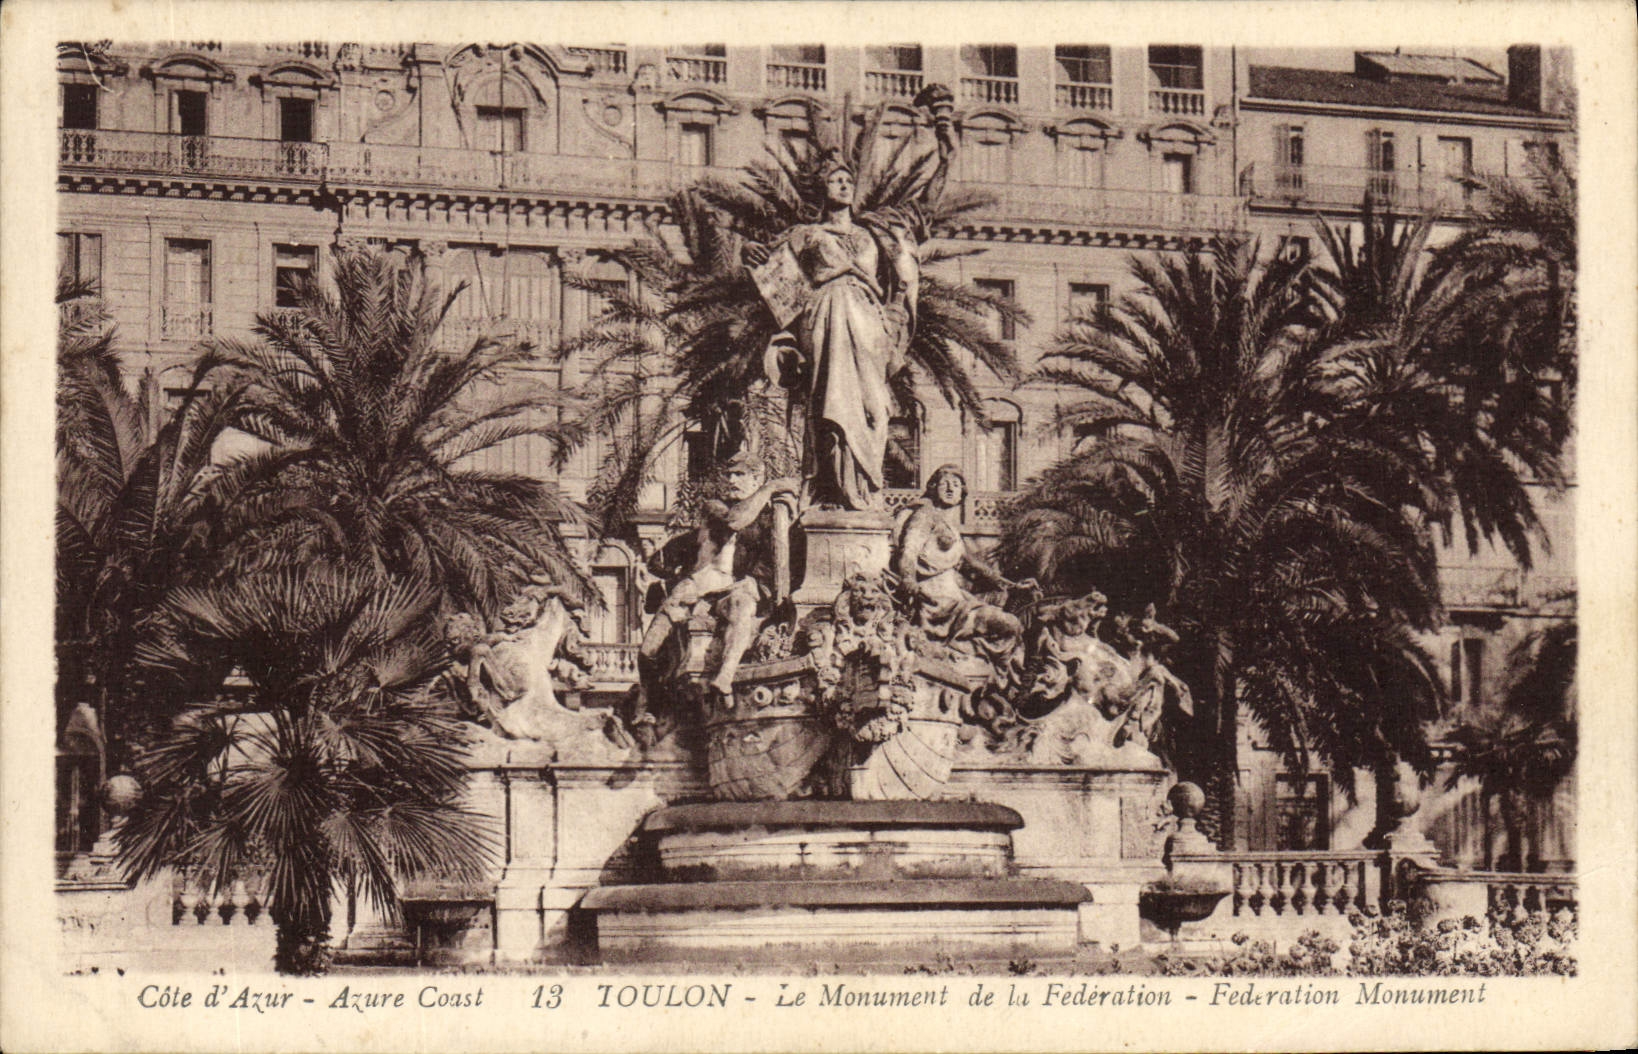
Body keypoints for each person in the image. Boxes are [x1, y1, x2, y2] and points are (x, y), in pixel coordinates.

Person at [743, 100, 956, 511]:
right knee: (829, 405)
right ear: (820, 188)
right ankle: (833, 491)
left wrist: (946, 156)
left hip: (869, 322)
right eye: (835, 179)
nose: (843, 185)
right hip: (826, 317)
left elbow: (924, 209)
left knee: (873, 408)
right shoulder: (804, 235)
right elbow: (769, 273)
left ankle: (866, 489)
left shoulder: (877, 232)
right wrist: (747, 252)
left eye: (847, 180)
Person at [639, 449, 799, 696]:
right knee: (648, 649)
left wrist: (756, 583)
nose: (731, 480)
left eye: (739, 475)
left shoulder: (768, 520)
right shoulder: (715, 507)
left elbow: (776, 560)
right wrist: (770, 488)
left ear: (756, 478)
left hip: (732, 592)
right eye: (729, 475)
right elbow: (734, 521)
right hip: (695, 590)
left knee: (742, 607)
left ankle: (726, 675)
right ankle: (647, 701)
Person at [890, 465, 1032, 670]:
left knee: (1011, 624)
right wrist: (908, 579)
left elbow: (970, 564)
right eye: (945, 484)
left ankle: (977, 664)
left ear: (961, 493)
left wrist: (1011, 585)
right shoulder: (925, 515)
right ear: (933, 487)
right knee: (1008, 624)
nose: (950, 489)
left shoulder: (949, 524)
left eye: (956, 485)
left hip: (956, 598)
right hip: (936, 603)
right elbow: (909, 552)